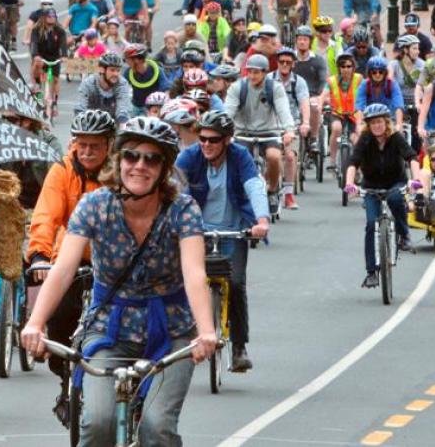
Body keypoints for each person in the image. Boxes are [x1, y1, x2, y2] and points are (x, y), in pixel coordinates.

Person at [21, 117, 217, 447]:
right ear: (118, 160)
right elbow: (64, 268)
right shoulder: (95, 206)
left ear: (165, 168)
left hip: (171, 329)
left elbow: (194, 273)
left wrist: (207, 331)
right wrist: (35, 323)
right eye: (131, 156)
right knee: (99, 423)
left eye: (152, 159)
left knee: (157, 429)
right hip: (109, 327)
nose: (139, 166)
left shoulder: (182, 210)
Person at [25, 110, 116, 418]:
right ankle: (67, 382)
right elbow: (46, 215)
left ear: (109, 146)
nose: (87, 152)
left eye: (95, 146)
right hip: (71, 259)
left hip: (113, 262)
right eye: (82, 145)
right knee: (60, 323)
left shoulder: (119, 173)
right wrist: (39, 254)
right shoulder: (62, 170)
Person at [176, 110, 270, 371]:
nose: (206, 144)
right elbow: (173, 189)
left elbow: (254, 186)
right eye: (202, 138)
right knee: (183, 281)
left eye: (213, 140)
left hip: (234, 230)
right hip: (196, 232)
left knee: (237, 283)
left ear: (227, 140)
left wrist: (261, 220)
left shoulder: (240, 157)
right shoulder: (189, 156)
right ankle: (180, 342)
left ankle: (239, 347)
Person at [344, 104, 421, 288]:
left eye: (380, 122)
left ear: (386, 123)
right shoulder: (365, 139)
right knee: (371, 224)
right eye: (373, 123)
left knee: (395, 199)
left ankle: (404, 235)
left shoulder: (396, 138)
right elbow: (353, 162)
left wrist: (415, 180)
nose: (377, 126)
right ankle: (371, 272)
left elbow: (412, 158)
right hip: (371, 186)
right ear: (368, 125)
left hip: (395, 182)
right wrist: (349, 184)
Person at [224, 53, 295, 210]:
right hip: (243, 132)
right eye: (249, 71)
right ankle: (240, 192)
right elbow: (227, 113)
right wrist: (224, 132)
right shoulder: (237, 88)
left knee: (274, 157)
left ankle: (272, 189)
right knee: (239, 161)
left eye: (256, 72)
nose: (252, 75)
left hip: (269, 132)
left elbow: (283, 110)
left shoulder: (274, 88)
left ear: (265, 72)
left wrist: (289, 130)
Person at [271, 46, 310, 209]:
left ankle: (288, 194)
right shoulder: (268, 79)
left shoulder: (299, 82)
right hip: (271, 124)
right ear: (277, 63)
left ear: (293, 63)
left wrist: (305, 122)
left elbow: (304, 103)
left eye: (288, 62)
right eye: (281, 62)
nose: (285, 65)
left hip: (291, 125)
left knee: (290, 157)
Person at [0, 111, 63, 210]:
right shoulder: (3, 141)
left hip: (43, 203)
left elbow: (56, 177)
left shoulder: (49, 142)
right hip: (13, 204)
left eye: (10, 120)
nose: (5, 124)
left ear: (27, 122)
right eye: (3, 119)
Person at [323, 52, 363, 168]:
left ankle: (358, 168)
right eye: (343, 66)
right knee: (336, 129)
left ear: (353, 67)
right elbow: (323, 94)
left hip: (354, 115)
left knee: (356, 139)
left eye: (349, 66)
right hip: (337, 113)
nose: (346, 69)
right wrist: (320, 103)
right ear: (339, 68)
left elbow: (366, 94)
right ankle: (332, 161)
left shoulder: (359, 79)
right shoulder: (332, 81)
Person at [389, 34, 425, 152]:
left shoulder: (422, 65)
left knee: (417, 133)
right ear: (405, 49)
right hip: (398, 101)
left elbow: (425, 86)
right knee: (393, 129)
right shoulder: (394, 65)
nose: (418, 51)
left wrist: (420, 101)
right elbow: (390, 83)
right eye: (414, 48)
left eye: (418, 48)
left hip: (415, 102)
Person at [74, 52, 133, 125]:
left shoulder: (122, 84)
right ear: (102, 70)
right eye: (112, 70)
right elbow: (80, 108)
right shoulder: (88, 83)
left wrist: (123, 126)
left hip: (114, 124)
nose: (116, 74)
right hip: (91, 124)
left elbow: (123, 108)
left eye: (118, 70)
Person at [293, 26, 327, 149]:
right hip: (293, 96)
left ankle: (314, 138)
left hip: (312, 96)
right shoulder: (290, 59)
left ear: (310, 42)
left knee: (314, 107)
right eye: (300, 39)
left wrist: (319, 98)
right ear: (296, 41)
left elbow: (323, 81)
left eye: (305, 39)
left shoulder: (318, 61)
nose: (302, 42)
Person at [29, 8, 69, 112]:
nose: (52, 19)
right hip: (41, 55)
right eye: (49, 16)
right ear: (43, 18)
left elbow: (63, 44)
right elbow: (34, 43)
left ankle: (55, 102)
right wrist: (35, 55)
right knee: (37, 64)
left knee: (55, 80)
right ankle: (37, 84)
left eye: (54, 16)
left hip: (54, 57)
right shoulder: (36, 30)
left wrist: (64, 55)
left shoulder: (59, 30)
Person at [355, 56, 404, 130]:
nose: (377, 74)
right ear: (369, 73)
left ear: (385, 73)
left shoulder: (392, 84)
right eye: (374, 72)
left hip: (389, 120)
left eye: (381, 72)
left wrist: (399, 125)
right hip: (370, 120)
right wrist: (359, 125)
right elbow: (360, 108)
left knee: (399, 137)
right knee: (357, 137)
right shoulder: (364, 84)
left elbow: (398, 106)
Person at [123, 44, 165, 116]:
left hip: (152, 106)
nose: (126, 62)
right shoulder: (128, 72)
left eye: (127, 59)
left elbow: (166, 87)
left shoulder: (156, 70)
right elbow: (120, 86)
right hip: (136, 105)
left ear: (137, 60)